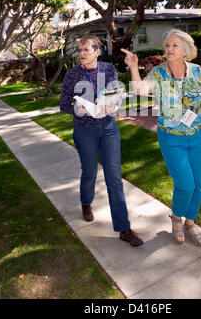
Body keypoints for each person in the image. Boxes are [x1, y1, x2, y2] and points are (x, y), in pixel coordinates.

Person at [121, 29, 201, 246]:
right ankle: (177, 217)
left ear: (186, 50)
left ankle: (190, 221)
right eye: (167, 45)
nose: (168, 49)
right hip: (171, 138)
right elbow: (141, 89)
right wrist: (134, 67)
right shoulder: (159, 73)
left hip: (198, 134)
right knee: (185, 184)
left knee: (199, 185)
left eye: (174, 45)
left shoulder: (197, 71)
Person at [60, 34, 143, 247]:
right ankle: (86, 203)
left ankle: (124, 228)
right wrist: (79, 109)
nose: (82, 54)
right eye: (79, 50)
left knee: (114, 178)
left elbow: (114, 93)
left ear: (97, 51)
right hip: (84, 130)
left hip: (108, 129)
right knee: (89, 171)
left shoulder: (107, 69)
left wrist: (113, 106)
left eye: (86, 50)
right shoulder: (72, 74)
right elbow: (63, 105)